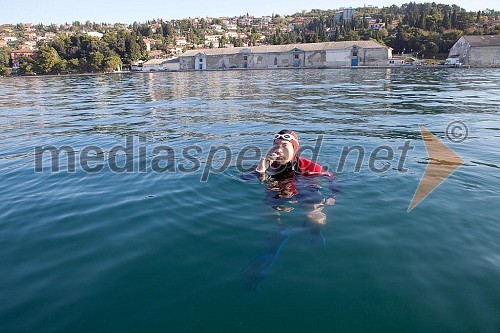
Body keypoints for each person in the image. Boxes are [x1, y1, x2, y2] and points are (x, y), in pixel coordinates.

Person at [243, 130, 338, 290]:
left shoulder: (309, 166)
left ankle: (314, 233)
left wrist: (333, 196)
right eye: (276, 146)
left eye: (284, 146)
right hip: (280, 188)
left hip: (306, 188)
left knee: (315, 212)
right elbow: (245, 179)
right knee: (267, 208)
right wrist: (260, 170)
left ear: (294, 148)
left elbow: (333, 179)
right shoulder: (269, 165)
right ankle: (280, 231)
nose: (278, 150)